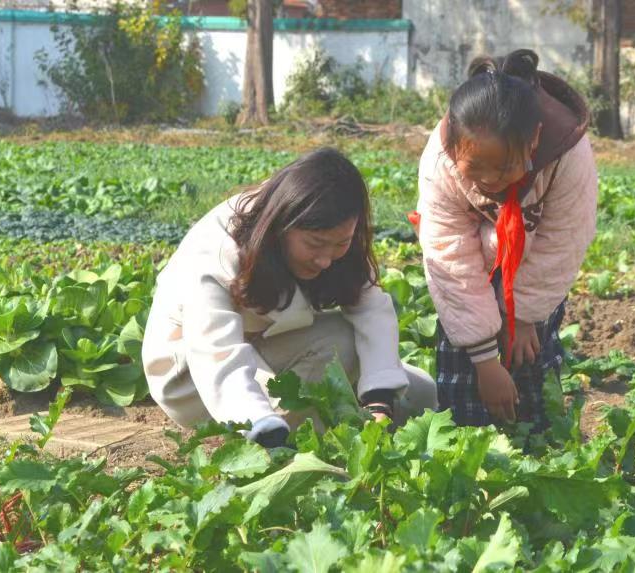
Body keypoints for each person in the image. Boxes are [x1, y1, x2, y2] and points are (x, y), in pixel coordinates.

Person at [142, 148, 438, 448]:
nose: (325, 260)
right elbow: (216, 354)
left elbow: (372, 309)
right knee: (342, 345)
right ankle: (311, 450)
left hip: (266, 348)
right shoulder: (219, 249)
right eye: (315, 243)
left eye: (341, 243)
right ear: (282, 225)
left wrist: (380, 402)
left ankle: (320, 429)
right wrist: (260, 423)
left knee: (422, 393)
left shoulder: (336, 242)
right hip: (194, 376)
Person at [414, 49, 597, 429]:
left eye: (504, 168)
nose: (491, 180)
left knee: (531, 363)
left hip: (533, 268)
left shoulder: (567, 151)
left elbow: (562, 241)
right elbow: (449, 256)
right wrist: (484, 360)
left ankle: (537, 449)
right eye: (476, 168)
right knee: (463, 375)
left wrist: (524, 316)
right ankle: (469, 445)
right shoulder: (440, 159)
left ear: (534, 141)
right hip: (469, 269)